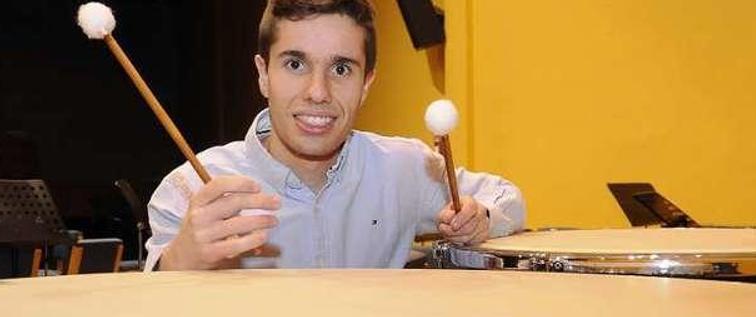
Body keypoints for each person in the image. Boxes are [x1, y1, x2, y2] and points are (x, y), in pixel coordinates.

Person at [145, 0, 524, 271]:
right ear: (263, 73)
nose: (318, 92)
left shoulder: (404, 168)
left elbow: (509, 198)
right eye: (295, 64)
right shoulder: (193, 186)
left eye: (341, 69)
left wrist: (480, 218)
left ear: (366, 83)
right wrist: (181, 259)